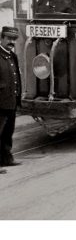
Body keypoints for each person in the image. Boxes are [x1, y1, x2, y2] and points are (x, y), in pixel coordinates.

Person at [0, 27, 22, 173]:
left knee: (8, 132)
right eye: (8, 38)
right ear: (1, 38)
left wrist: (18, 98)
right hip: (0, 102)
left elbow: (16, 78)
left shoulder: (12, 56)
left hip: (11, 101)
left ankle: (6, 159)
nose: (11, 42)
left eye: (14, 39)